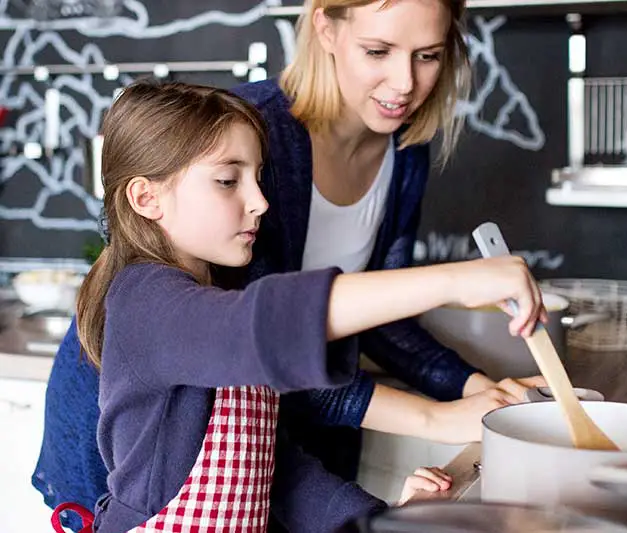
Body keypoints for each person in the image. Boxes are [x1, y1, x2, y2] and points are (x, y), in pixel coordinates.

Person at [33, 0, 549, 528]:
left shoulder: (401, 153)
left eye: (429, 55)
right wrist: (453, 286)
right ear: (324, 25)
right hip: (128, 465)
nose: (405, 81)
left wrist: (473, 392)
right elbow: (262, 328)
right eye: (378, 50)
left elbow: (270, 462)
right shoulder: (167, 285)